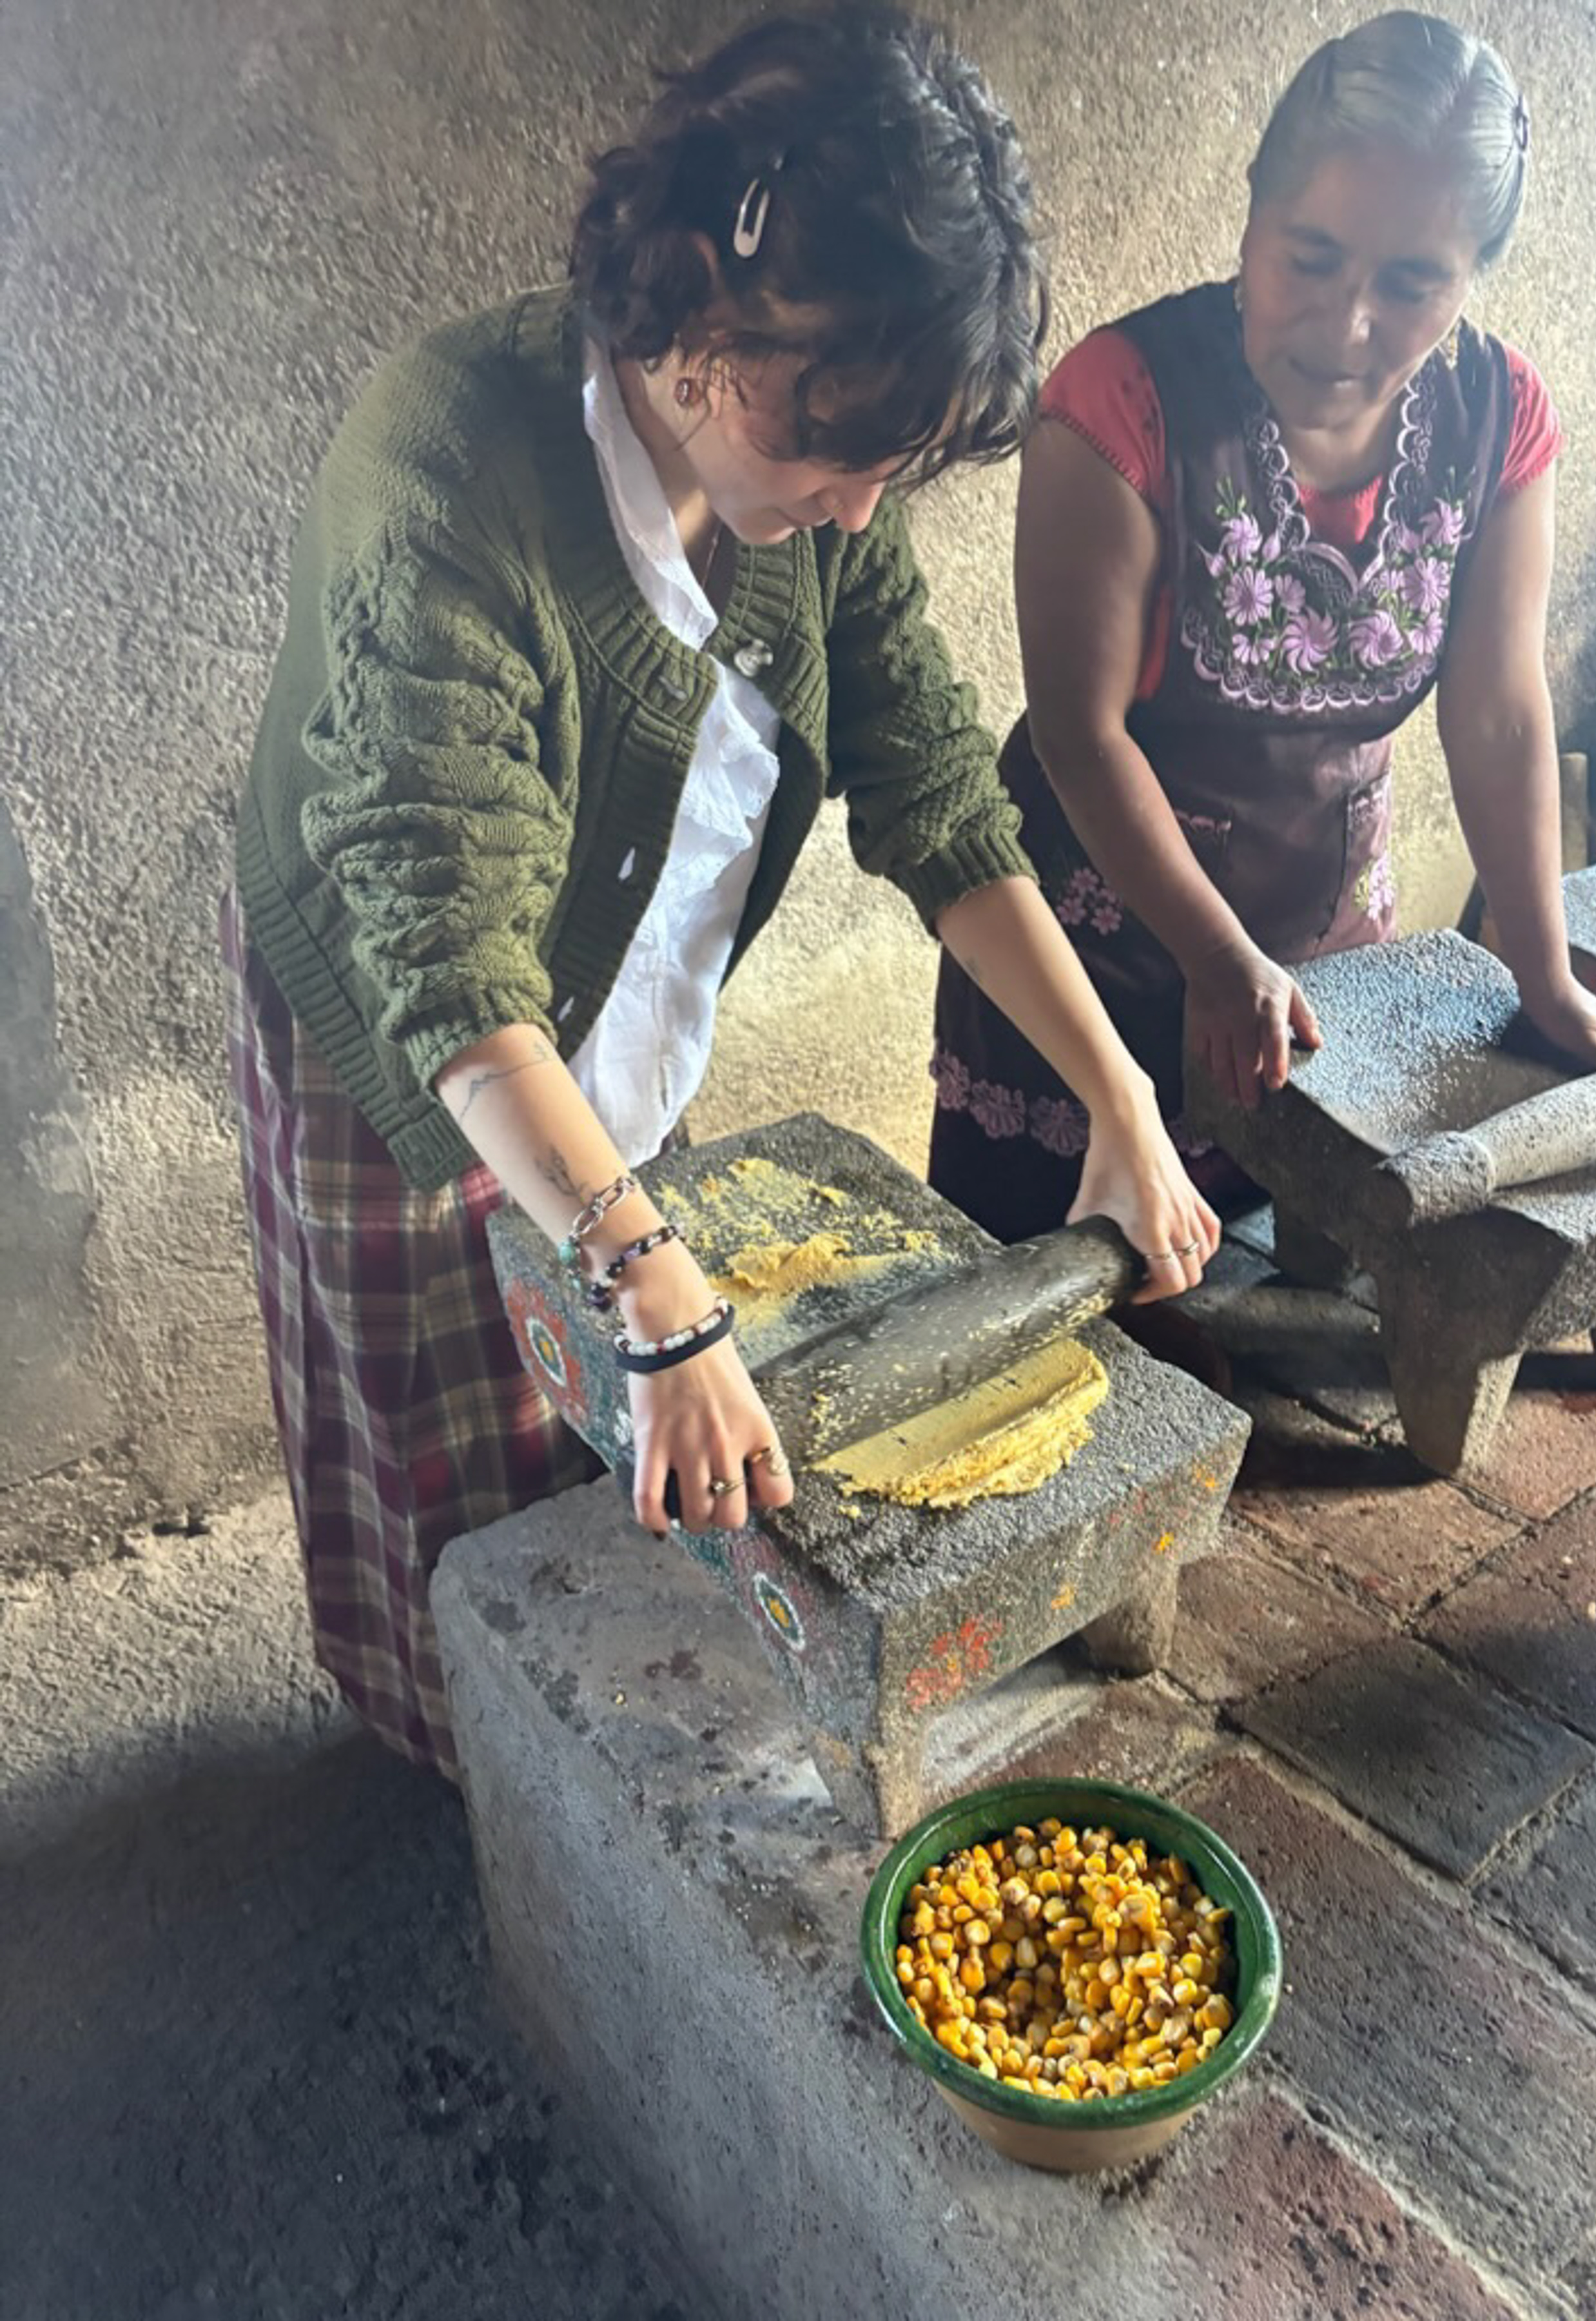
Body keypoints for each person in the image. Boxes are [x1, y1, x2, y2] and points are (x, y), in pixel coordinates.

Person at [226, 5, 1218, 1777]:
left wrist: (1119, 1095)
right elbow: (451, 971)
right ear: (697, 317)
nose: (858, 515)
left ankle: (578, 1704)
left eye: (893, 472)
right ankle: (462, 1751)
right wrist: (666, 1305)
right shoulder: (444, 476)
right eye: (842, 455)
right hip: (394, 1005)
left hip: (599, 970)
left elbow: (930, 788)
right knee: (451, 1413)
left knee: (611, 1348)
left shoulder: (823, 466)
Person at [929, 8, 1596, 1243]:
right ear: (1254, 209)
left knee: (1293, 1266)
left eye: (1413, 284)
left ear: (1471, 280)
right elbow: (1080, 733)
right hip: (1112, 949)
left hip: (1329, 934)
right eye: (1309, 255)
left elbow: (1502, 710)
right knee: (1080, 1301)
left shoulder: (1497, 420)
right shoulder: (1120, 402)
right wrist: (1211, 953)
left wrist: (1543, 966)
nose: (1346, 323)